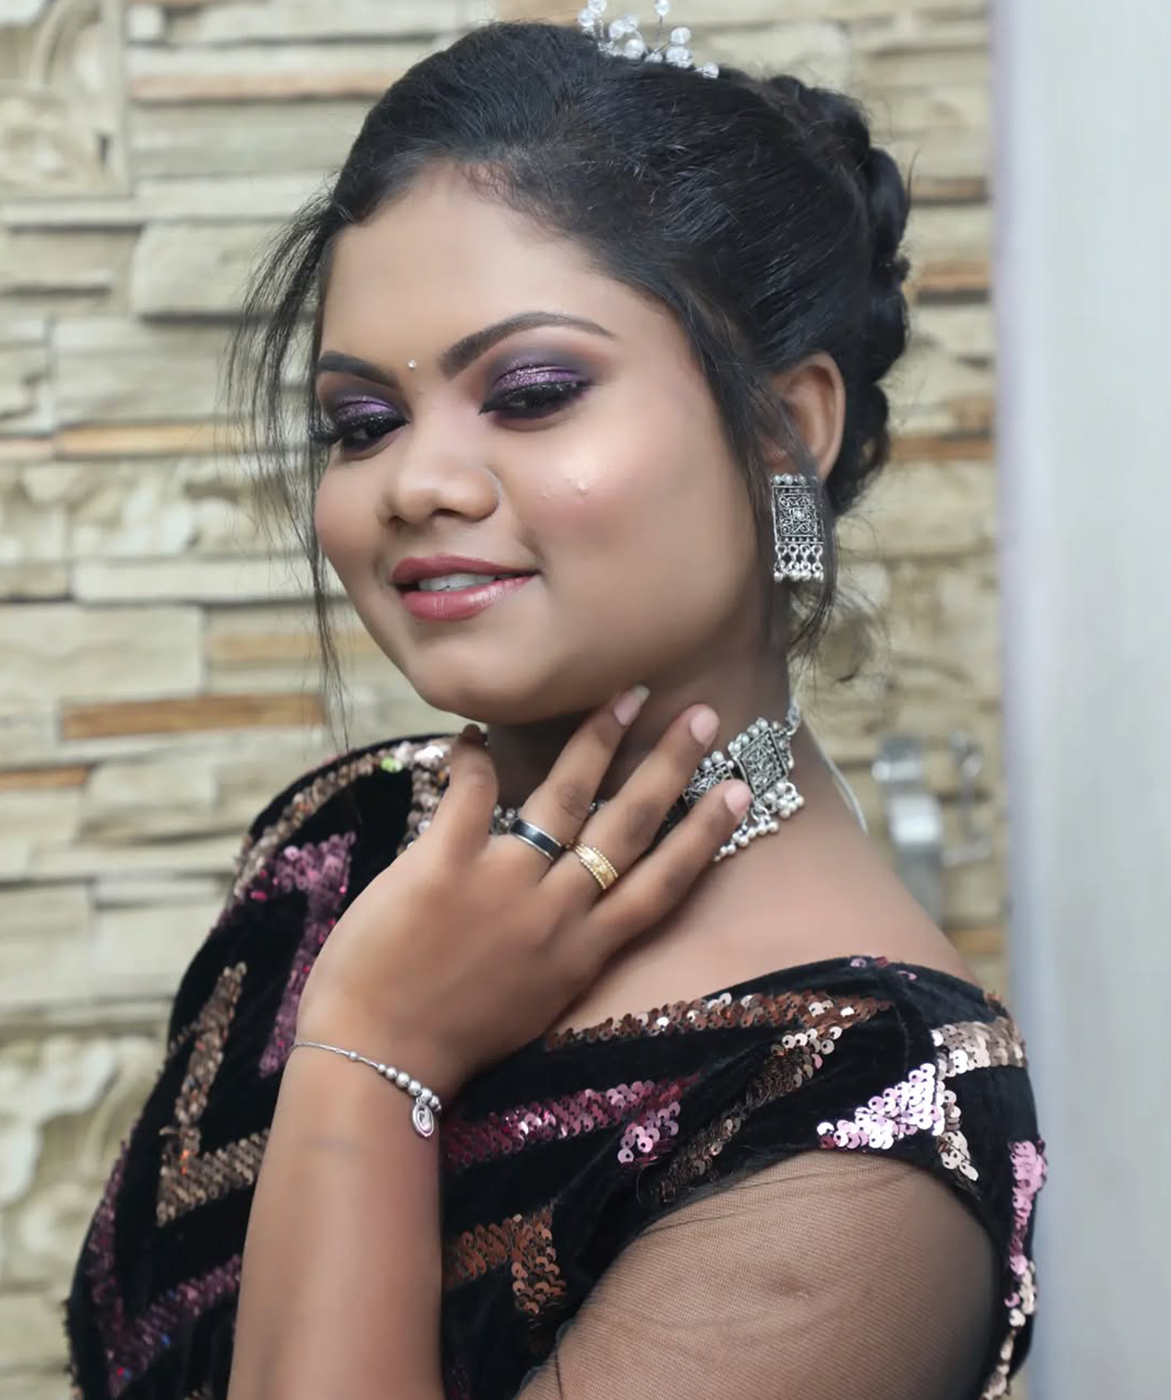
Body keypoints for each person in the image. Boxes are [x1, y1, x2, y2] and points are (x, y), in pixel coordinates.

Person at [63, 11, 1045, 1400]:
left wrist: (375, 1054)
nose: (416, 484)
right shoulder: (343, 844)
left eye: (530, 393)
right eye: (363, 423)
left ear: (788, 430)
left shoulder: (861, 1122)